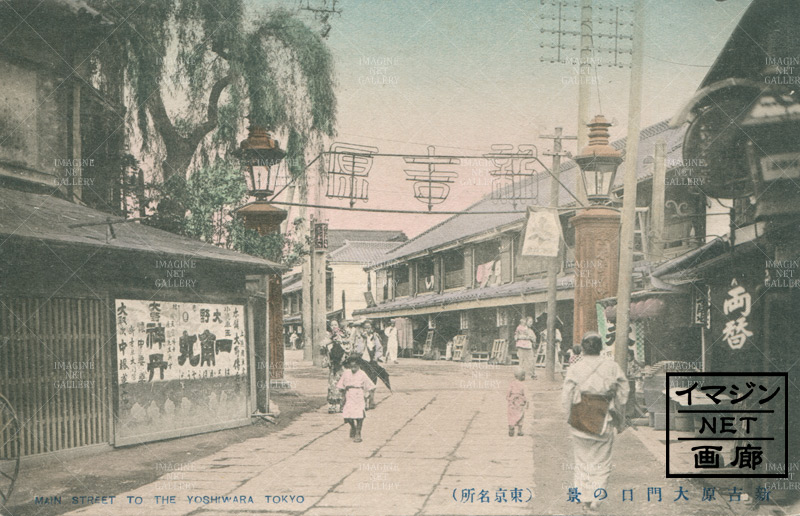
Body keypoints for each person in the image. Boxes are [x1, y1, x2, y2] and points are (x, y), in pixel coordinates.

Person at [561, 332, 628, 513]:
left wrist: (567, 414)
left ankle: (584, 498)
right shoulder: (612, 366)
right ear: (601, 348)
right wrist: (617, 405)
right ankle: (597, 497)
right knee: (602, 460)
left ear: (583, 348)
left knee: (582, 460)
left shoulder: (576, 367)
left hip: (580, 416)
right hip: (603, 417)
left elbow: (566, 394)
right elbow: (624, 392)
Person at [337, 355, 376, 442]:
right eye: (351, 367)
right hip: (349, 395)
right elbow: (341, 386)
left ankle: (358, 433)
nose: (353, 369)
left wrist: (371, 399)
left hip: (359, 396)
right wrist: (342, 398)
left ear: (359, 365)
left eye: (355, 366)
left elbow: (371, 386)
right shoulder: (346, 373)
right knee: (348, 416)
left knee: (359, 415)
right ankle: (353, 427)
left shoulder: (362, 374)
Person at [323, 320, 348, 413]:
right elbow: (323, 347)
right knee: (332, 385)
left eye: (335, 325)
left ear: (339, 326)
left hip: (342, 363)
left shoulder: (343, 335)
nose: (334, 326)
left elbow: (347, 347)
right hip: (333, 364)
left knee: (342, 384)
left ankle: (342, 405)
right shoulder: (328, 336)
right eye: (332, 325)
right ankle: (332, 405)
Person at [507, 368, 528, 437]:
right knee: (520, 414)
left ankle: (511, 426)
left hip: (513, 400)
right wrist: (527, 402)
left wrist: (508, 398)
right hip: (520, 400)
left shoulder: (512, 383)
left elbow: (508, 392)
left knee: (511, 414)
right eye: (523, 375)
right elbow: (525, 394)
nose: (524, 377)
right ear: (522, 377)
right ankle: (519, 431)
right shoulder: (523, 384)